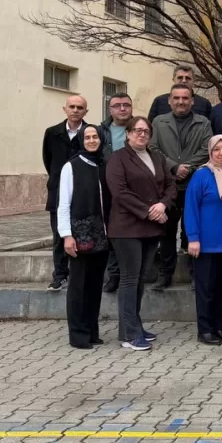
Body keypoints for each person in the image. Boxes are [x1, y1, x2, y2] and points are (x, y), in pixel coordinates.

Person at [105, 116, 176, 352]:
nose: (141, 134)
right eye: (136, 130)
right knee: (129, 280)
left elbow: (170, 185)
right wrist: (149, 211)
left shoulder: (156, 157)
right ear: (127, 133)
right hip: (126, 228)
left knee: (139, 280)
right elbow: (120, 193)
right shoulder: (118, 159)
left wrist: (163, 205)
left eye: (145, 131)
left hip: (149, 228)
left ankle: (134, 324)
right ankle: (129, 334)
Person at [149, 84, 213, 290]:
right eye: (176, 98)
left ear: (192, 101)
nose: (180, 102)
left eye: (185, 98)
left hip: (193, 184)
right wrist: (174, 167)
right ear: (169, 100)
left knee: (191, 231)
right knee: (166, 232)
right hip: (167, 185)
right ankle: (165, 275)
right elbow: (152, 147)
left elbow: (207, 148)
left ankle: (195, 275)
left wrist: (188, 167)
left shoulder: (203, 122)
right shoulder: (159, 122)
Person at [184, 135, 222, 346]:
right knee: (206, 290)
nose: (221, 153)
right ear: (210, 152)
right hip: (206, 245)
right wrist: (193, 238)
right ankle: (205, 330)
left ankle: (218, 326)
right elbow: (190, 208)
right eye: (217, 149)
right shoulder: (201, 176)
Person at [56, 124, 110, 350]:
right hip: (79, 236)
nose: (91, 140)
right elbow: (63, 205)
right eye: (86, 137)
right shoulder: (72, 166)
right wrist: (66, 236)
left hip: (102, 237)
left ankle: (91, 330)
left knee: (95, 286)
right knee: (78, 286)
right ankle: (78, 335)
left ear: (101, 139)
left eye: (94, 136)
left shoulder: (104, 165)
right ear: (80, 140)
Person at [42, 95, 90, 292]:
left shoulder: (91, 132)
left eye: (80, 107)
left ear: (85, 111)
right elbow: (48, 159)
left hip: (83, 193)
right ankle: (60, 275)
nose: (75, 110)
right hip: (58, 192)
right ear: (65, 109)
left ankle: (81, 276)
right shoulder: (52, 133)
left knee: (83, 234)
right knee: (59, 235)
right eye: (72, 106)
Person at [98, 92, 133, 293]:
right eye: (117, 105)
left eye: (126, 105)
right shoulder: (101, 131)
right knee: (112, 232)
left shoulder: (139, 128)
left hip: (134, 188)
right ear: (110, 109)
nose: (122, 109)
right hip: (109, 188)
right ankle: (114, 275)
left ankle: (132, 274)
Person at [148, 64, 213, 119]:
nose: (184, 81)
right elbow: (151, 128)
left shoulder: (204, 104)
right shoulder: (159, 101)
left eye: (188, 78)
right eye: (180, 77)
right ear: (173, 79)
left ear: (194, 81)